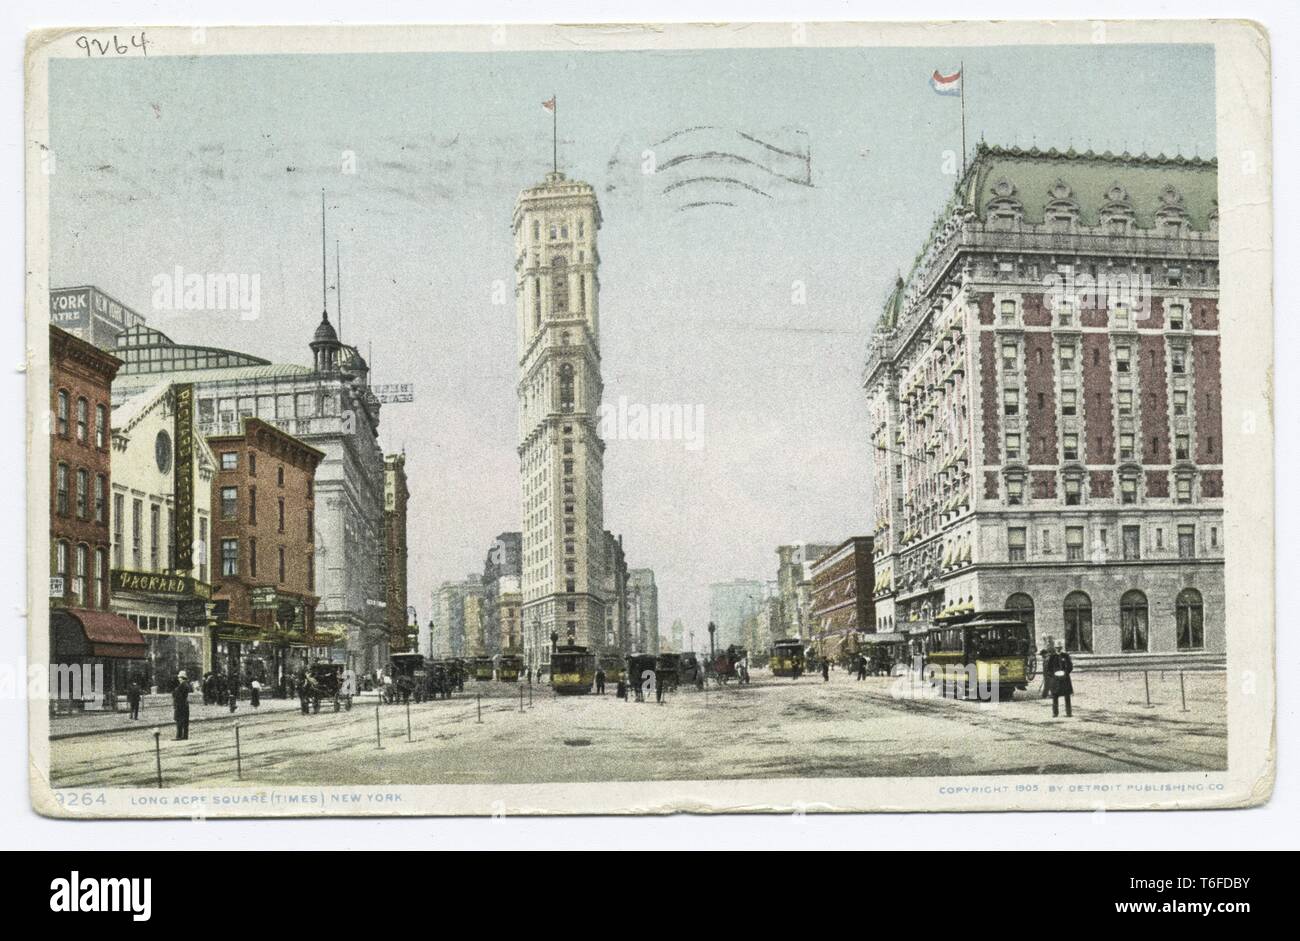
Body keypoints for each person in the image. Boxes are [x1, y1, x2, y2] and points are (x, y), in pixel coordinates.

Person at [1045, 645, 1074, 717]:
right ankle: (1055, 713)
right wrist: (1054, 674)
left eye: (1059, 648)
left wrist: (1065, 673)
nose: (1058, 649)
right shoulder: (1052, 657)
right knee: (1055, 696)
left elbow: (1070, 666)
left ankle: (1068, 712)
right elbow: (1048, 669)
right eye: (1057, 648)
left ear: (1061, 648)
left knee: (1067, 695)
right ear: (1055, 648)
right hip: (1055, 679)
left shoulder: (1066, 656)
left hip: (1065, 679)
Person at [172, 671, 191, 740]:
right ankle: (184, 736)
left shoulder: (182, 685)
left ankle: (179, 736)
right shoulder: (186, 685)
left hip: (181, 706)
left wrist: (175, 692)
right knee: (184, 721)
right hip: (184, 705)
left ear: (182, 678)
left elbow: (177, 695)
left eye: (179, 678)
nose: (178, 679)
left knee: (180, 721)